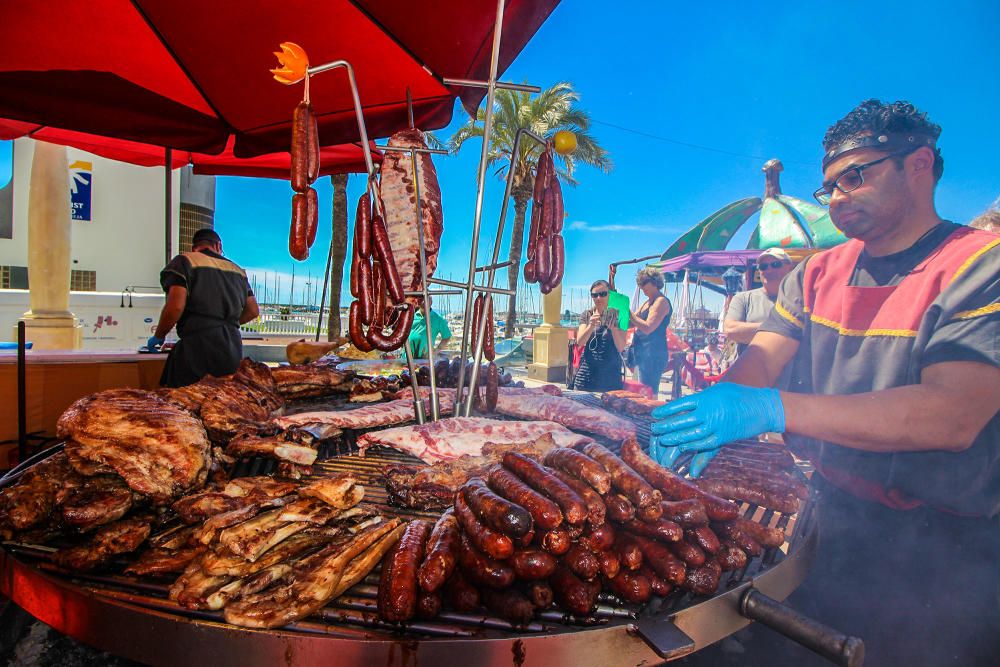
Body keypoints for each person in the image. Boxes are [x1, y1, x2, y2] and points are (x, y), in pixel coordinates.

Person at [650, 100, 999, 665]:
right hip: (829, 518)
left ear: (920, 164)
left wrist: (772, 409)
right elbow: (760, 361)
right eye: (829, 186)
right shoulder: (815, 272)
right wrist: (719, 404)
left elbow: (953, 414)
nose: (837, 197)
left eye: (854, 176)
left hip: (945, 545)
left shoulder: (981, 265)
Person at [149, 229, 259, 388]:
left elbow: (175, 306)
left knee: (184, 402)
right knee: (225, 402)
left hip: (197, 348)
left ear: (195, 247)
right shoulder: (238, 270)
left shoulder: (185, 261)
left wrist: (159, 336)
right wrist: (227, 324)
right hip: (231, 350)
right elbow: (253, 311)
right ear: (218, 245)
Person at [722, 247, 795, 359]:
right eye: (763, 267)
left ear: (790, 268)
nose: (769, 270)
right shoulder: (743, 298)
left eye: (775, 264)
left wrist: (752, 332)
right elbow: (731, 330)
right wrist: (783, 327)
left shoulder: (801, 300)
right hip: (752, 373)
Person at [570, 279, 626, 391]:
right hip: (586, 376)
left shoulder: (620, 316)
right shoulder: (587, 315)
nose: (598, 298)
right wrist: (591, 325)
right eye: (594, 295)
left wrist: (614, 329)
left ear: (610, 295)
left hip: (610, 378)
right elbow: (580, 342)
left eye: (603, 294)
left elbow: (621, 347)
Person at [628, 267, 673, 394]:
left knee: (648, 393)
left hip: (653, 354)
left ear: (654, 282)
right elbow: (631, 322)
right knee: (639, 391)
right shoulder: (647, 302)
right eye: (640, 284)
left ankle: (651, 414)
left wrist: (629, 313)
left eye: (644, 283)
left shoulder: (661, 301)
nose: (642, 287)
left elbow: (648, 328)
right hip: (641, 353)